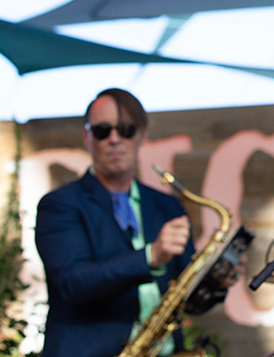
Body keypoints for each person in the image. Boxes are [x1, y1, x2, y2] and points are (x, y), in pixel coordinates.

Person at [35, 88, 205, 357]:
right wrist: (151, 255)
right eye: (103, 130)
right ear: (87, 137)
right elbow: (73, 283)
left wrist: (218, 280)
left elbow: (187, 293)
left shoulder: (167, 205)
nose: (115, 139)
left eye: (126, 129)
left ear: (142, 135)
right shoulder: (60, 205)